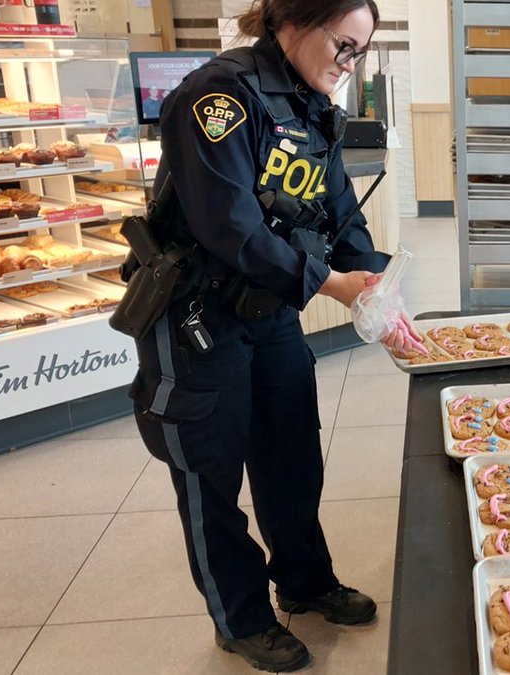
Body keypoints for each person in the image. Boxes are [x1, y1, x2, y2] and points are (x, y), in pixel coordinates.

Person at [125, 0, 421, 670]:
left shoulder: (314, 103)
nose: (350, 65)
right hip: (199, 318)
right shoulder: (218, 97)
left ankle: (305, 579)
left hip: (271, 313)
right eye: (344, 46)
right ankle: (241, 617)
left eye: (358, 51)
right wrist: (333, 286)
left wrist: (376, 288)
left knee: (292, 454)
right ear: (294, 23)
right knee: (212, 474)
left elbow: (338, 209)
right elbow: (231, 227)